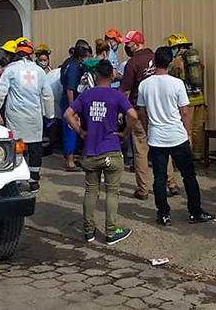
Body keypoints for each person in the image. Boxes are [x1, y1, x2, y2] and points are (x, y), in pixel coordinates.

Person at [138, 46, 216, 226]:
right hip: (177, 136)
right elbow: (185, 112)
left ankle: (163, 214)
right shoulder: (176, 84)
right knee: (189, 175)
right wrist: (188, 133)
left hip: (156, 137)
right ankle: (195, 211)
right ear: (171, 62)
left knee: (159, 178)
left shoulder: (144, 84)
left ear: (155, 62)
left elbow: (142, 112)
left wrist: (148, 128)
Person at [65, 60, 137, 244]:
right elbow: (133, 115)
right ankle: (111, 232)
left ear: (95, 76)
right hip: (111, 149)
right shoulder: (117, 95)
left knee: (91, 191)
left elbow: (68, 115)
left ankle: (89, 231)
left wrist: (81, 132)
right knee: (112, 192)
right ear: (112, 76)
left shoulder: (86, 95)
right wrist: (125, 134)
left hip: (91, 150)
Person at [0, 39, 55, 192]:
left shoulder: (10, 70)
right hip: (34, 116)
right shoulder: (39, 71)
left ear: (16, 53)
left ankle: (17, 180)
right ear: (31, 53)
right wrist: (50, 115)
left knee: (17, 148)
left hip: (16, 117)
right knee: (35, 149)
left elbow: (1, 93)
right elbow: (47, 95)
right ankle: (34, 181)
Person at [120, 31, 179, 200]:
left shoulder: (132, 63)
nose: (126, 46)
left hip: (138, 111)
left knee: (140, 152)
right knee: (163, 147)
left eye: (128, 43)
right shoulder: (158, 57)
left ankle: (143, 189)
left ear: (136, 44)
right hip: (160, 111)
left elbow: (125, 91)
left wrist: (123, 111)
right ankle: (172, 183)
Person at [167, 34, 207, 162]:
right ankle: (197, 155)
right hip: (199, 99)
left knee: (186, 129)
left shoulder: (176, 61)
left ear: (177, 47)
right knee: (198, 128)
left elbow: (173, 80)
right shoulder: (196, 60)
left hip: (186, 101)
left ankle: (186, 156)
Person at [61, 42, 90, 171]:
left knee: (72, 131)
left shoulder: (68, 63)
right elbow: (70, 90)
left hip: (70, 102)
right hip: (70, 103)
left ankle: (71, 158)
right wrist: (73, 110)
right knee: (71, 130)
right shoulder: (73, 68)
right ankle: (70, 162)